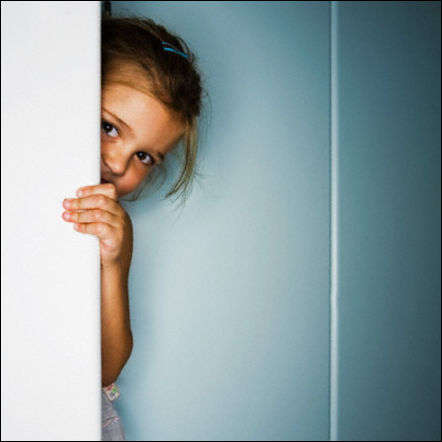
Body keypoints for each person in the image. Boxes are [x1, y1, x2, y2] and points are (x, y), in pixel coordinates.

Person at [61, 15, 203, 441]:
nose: (118, 164)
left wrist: (112, 261)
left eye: (144, 157)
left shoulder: (116, 230)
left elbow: (107, 368)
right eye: (109, 127)